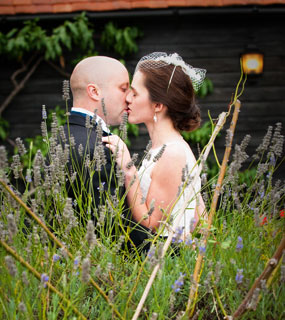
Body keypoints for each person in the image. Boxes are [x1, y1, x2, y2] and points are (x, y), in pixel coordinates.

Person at [103, 52, 207, 241]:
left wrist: (128, 167)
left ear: (158, 105)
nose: (128, 99)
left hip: (168, 261)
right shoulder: (162, 148)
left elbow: (150, 222)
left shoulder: (173, 153)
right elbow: (201, 216)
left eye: (135, 93)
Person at [63, 55, 151, 249]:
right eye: (122, 88)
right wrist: (173, 250)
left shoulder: (64, 135)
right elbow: (112, 229)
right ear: (94, 91)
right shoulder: (94, 148)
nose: (129, 97)